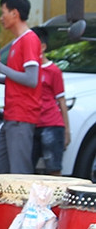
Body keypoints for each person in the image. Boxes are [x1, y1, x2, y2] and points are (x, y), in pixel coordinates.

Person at [0, 0, 42, 174]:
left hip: (22, 115)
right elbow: (20, 78)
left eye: (3, 12)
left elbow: (31, 79)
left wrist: (1, 68)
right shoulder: (17, 42)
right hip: (12, 115)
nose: (1, 18)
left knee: (19, 171)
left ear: (15, 13)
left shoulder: (29, 39)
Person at [32, 26, 69, 175]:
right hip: (32, 123)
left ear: (43, 47)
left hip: (51, 125)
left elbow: (61, 101)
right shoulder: (28, 69)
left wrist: (67, 131)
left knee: (53, 168)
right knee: (29, 168)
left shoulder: (53, 71)